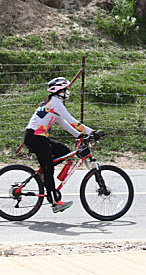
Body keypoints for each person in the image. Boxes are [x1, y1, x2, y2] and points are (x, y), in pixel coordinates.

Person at [24, 77, 96, 213]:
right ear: (60, 90)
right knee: (49, 169)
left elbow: (63, 122)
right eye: (66, 89)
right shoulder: (56, 102)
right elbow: (72, 120)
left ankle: (42, 173)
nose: (68, 91)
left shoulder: (54, 103)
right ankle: (54, 203)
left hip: (40, 137)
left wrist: (79, 135)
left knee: (64, 152)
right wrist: (91, 131)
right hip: (35, 137)